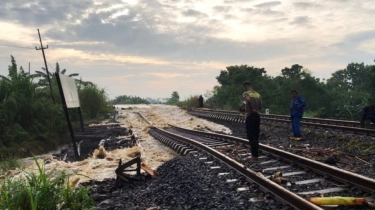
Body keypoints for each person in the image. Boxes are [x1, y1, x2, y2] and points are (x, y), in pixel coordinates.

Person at [242, 82, 262, 161]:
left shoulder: (246, 93)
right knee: (256, 135)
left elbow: (248, 100)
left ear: (245, 88)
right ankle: (255, 154)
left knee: (251, 135)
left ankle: (254, 155)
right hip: (257, 116)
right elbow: (260, 106)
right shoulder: (258, 94)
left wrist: (251, 108)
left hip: (250, 116)